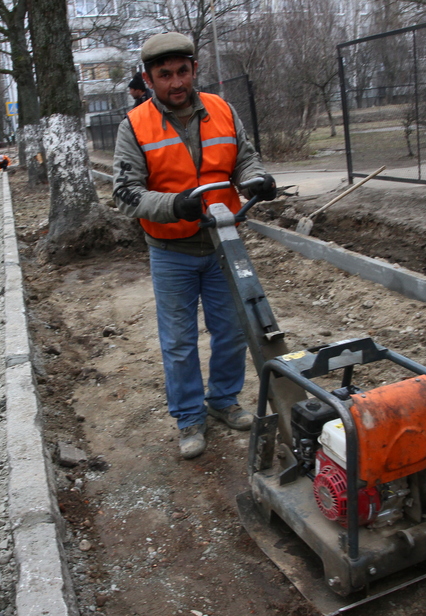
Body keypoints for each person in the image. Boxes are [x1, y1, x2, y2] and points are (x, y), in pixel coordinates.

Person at [112, 32, 277, 459]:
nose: (176, 82)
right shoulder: (135, 126)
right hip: (172, 252)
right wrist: (174, 205)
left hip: (224, 241)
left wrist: (254, 177)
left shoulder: (221, 109)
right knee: (180, 341)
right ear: (149, 80)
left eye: (182, 72)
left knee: (231, 331)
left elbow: (244, 155)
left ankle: (223, 400)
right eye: (164, 75)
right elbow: (125, 192)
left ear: (194, 70)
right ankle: (188, 417)